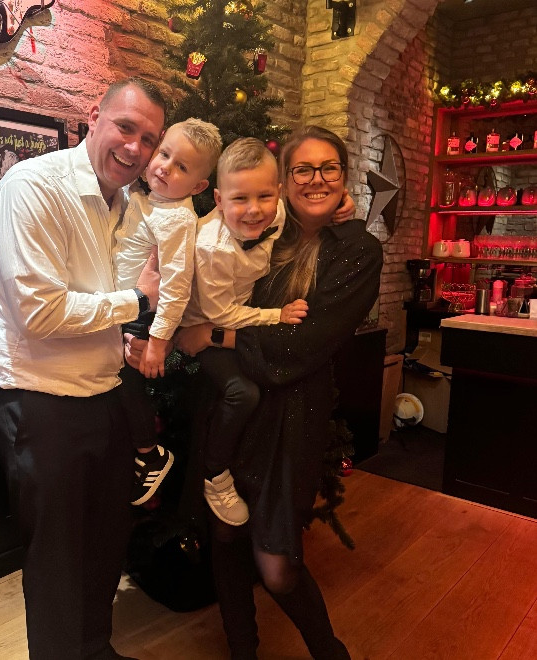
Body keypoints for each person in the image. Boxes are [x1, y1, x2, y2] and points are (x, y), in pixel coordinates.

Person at [169, 125, 383, 658]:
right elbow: (202, 225)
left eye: (329, 168)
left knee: (277, 564)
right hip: (232, 405)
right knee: (224, 536)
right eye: (303, 169)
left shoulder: (357, 249)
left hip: (291, 418)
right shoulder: (267, 229)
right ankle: (243, 651)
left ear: (344, 176)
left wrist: (211, 336)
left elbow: (302, 345)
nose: (317, 179)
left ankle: (329, 652)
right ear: (285, 181)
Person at [0, 77, 166, 660]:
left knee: (105, 544)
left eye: (149, 139)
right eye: (126, 128)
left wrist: (127, 333)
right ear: (94, 116)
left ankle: (95, 651)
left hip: (104, 393)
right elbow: (38, 313)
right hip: (39, 400)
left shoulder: (129, 205)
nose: (135, 148)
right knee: (57, 561)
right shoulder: (31, 186)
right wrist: (136, 303)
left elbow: (97, 293)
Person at [179, 137, 310, 526]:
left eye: (264, 196)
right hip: (204, 325)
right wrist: (276, 316)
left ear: (278, 194)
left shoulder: (278, 212)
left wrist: (341, 207)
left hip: (242, 312)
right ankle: (214, 473)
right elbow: (220, 314)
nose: (254, 210)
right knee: (243, 392)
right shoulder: (212, 248)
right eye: (240, 199)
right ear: (219, 200)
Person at [114, 117, 223, 506]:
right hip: (121, 303)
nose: (164, 167)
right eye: (164, 154)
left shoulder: (179, 219)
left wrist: (159, 341)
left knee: (123, 379)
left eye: (181, 167)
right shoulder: (145, 197)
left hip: (143, 315)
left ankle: (150, 453)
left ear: (198, 187)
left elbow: (176, 288)